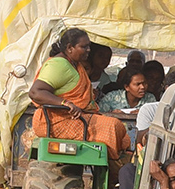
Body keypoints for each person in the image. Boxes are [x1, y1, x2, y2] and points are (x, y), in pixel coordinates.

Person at [28, 28, 131, 159]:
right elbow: (35, 92)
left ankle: (114, 165)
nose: (88, 50)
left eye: (89, 46)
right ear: (70, 48)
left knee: (119, 130)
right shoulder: (59, 64)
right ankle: (115, 165)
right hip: (58, 121)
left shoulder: (74, 65)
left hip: (77, 118)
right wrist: (65, 103)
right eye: (84, 47)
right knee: (114, 126)